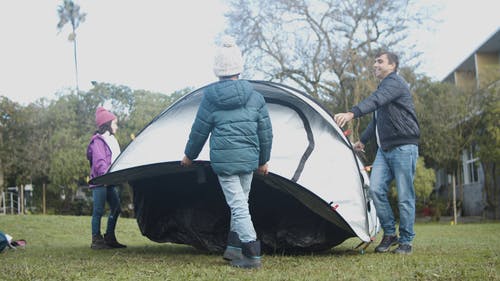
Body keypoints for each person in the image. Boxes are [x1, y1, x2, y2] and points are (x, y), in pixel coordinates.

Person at [181, 36, 273, 268]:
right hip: (249, 160)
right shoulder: (256, 97)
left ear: (218, 72)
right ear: (238, 70)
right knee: (241, 203)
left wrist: (189, 156)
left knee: (238, 205)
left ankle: (252, 253)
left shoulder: (210, 99)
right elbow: (266, 133)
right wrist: (264, 160)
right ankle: (233, 248)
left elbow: (199, 131)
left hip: (225, 162)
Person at [334, 51, 420, 254]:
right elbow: (376, 119)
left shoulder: (394, 83)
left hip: (404, 147)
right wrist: (362, 141)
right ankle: (390, 234)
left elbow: (375, 100)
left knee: (405, 196)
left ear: (393, 66)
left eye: (380, 61)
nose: (375, 65)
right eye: (374, 62)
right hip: (385, 150)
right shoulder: (384, 88)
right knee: (375, 190)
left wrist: (351, 113)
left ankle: (406, 241)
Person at [86, 106, 126, 250]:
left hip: (109, 181)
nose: (116, 126)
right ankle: (96, 240)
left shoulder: (112, 140)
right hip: (100, 181)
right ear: (107, 124)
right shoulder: (97, 141)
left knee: (116, 208)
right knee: (98, 211)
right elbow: (99, 163)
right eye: (114, 123)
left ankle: (109, 237)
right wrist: (105, 177)